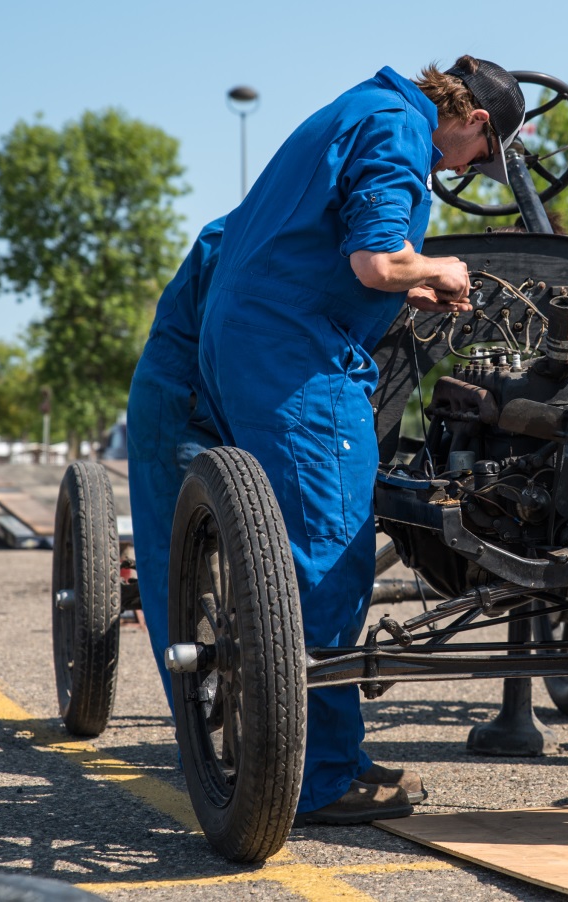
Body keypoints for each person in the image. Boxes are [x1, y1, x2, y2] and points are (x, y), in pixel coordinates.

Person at [197, 56, 525, 826]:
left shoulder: (364, 107)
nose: (467, 169)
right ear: (475, 121)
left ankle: (327, 755)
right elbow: (375, 259)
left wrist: (410, 289)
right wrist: (440, 268)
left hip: (266, 335)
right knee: (331, 550)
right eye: (480, 155)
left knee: (315, 547)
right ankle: (318, 777)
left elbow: (336, 254)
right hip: (294, 354)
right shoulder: (400, 128)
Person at [126, 218, 225, 707]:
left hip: (216, 400)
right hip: (180, 405)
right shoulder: (228, 240)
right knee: (183, 554)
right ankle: (197, 710)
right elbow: (227, 339)